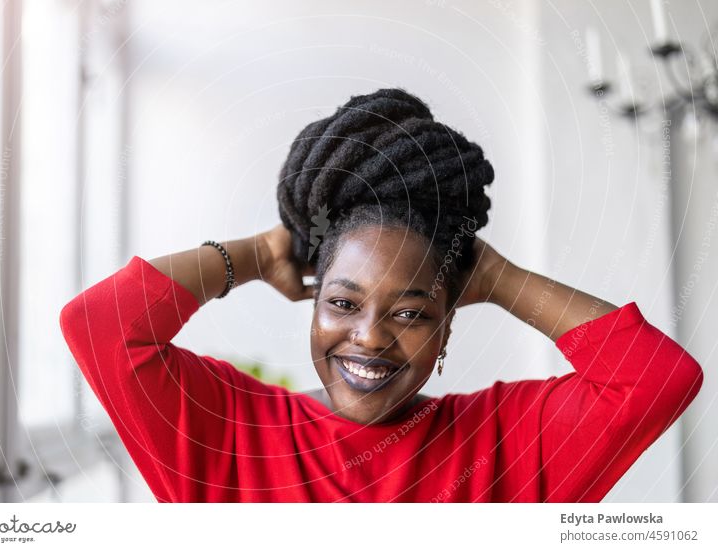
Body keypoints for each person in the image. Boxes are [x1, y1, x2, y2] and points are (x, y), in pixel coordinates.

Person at [59, 88, 703, 502]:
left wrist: (497, 278)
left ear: (447, 329)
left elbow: (659, 380)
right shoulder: (227, 433)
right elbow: (97, 326)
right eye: (342, 302)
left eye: (413, 313)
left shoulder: (506, 445)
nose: (369, 335)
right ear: (312, 308)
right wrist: (253, 255)